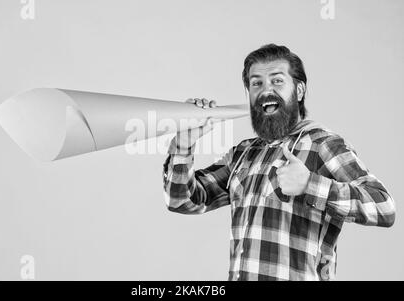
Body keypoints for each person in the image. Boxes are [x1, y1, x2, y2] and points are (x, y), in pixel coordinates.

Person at [162, 44, 396, 281]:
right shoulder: (243, 153)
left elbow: (384, 207)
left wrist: (310, 185)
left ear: (300, 90)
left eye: (277, 81)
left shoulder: (322, 143)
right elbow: (181, 201)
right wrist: (183, 145)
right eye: (257, 83)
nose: (266, 91)